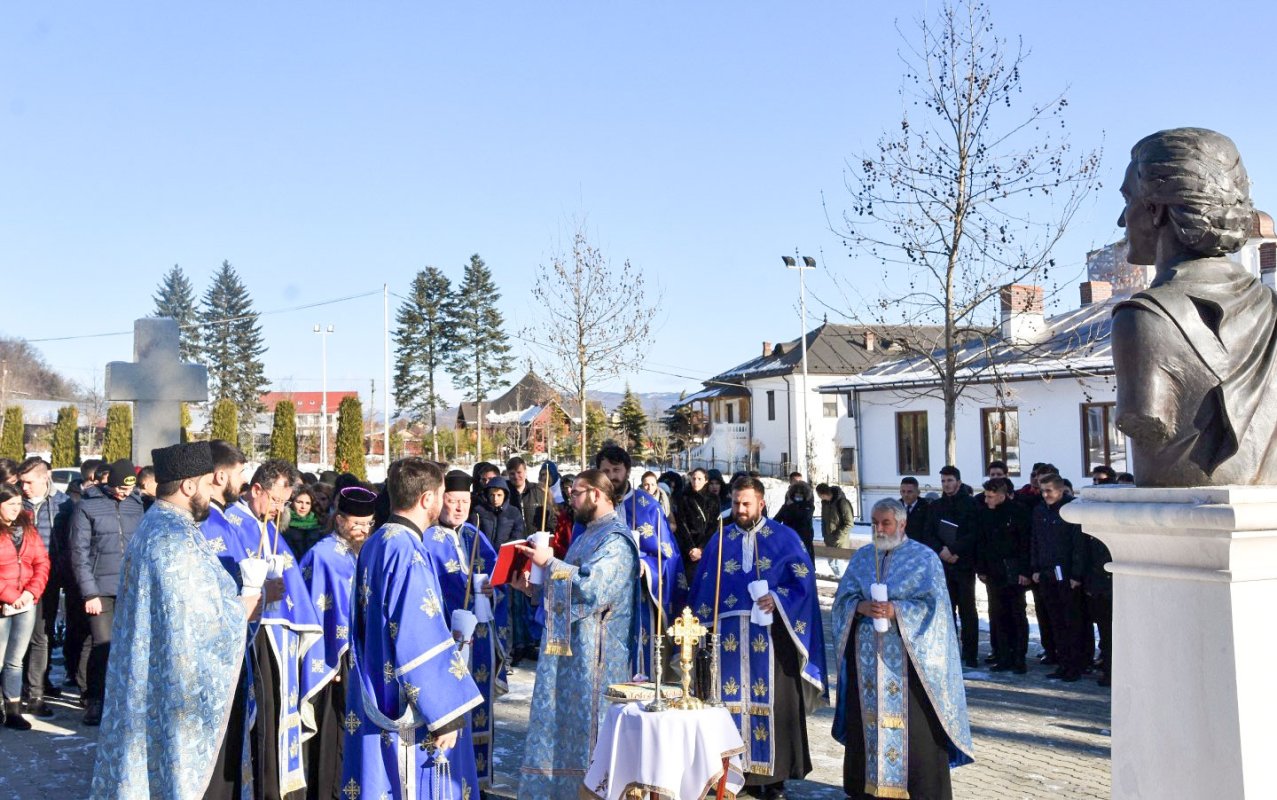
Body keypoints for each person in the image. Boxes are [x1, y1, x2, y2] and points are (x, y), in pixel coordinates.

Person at [90, 441, 260, 799]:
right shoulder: (174, 538)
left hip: (152, 684)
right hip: (177, 698)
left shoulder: (155, 525)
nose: (214, 491)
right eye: (208, 484)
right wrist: (248, 602)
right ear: (188, 486)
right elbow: (200, 627)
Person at [342, 458, 484, 799]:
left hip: (377, 687)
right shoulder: (407, 550)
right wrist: (444, 712)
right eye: (440, 494)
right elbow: (416, 634)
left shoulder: (376, 541)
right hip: (407, 704)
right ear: (427, 500)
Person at [688, 475, 827, 799]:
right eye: (735, 502)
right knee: (726, 705)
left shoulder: (785, 538)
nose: (739, 509)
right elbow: (703, 589)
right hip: (728, 643)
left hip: (772, 641)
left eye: (746, 503)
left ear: (761, 503)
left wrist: (778, 599)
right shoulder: (719, 539)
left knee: (774, 707)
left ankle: (772, 780)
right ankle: (726, 775)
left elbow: (803, 586)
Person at [832, 498, 974, 799]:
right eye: (874, 523)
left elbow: (937, 610)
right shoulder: (861, 558)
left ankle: (919, 791)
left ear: (902, 523)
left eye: (885, 523)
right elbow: (841, 601)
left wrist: (897, 610)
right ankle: (868, 790)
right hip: (867, 664)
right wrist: (860, 606)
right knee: (867, 725)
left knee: (916, 732)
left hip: (911, 666)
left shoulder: (924, 559)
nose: (879, 529)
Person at [516, 469, 640, 798]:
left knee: (590, 740)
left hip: (595, 661)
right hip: (569, 655)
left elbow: (592, 588)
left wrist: (551, 563)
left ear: (597, 495)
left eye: (576, 493)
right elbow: (565, 593)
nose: (571, 500)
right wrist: (531, 587)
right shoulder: (586, 534)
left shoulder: (616, 540)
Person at [421, 471, 508, 791]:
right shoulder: (428, 538)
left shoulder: (475, 534)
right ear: (440, 500)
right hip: (448, 640)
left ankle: (479, 782)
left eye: (465, 502)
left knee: (480, 709)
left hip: (481, 639)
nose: (459, 508)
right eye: (453, 501)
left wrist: (491, 591)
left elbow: (498, 577)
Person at [298, 484, 377, 800]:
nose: (361, 530)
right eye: (355, 524)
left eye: (367, 524)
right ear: (339, 519)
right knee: (335, 735)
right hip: (333, 662)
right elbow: (316, 612)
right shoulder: (323, 555)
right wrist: (330, 657)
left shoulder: (366, 551)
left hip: (361, 656)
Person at [594, 443, 683, 679]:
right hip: (601, 600)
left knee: (641, 666)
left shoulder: (649, 507)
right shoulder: (591, 507)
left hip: (641, 599)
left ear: (627, 471)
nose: (612, 477)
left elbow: (669, 556)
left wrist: (648, 566)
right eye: (606, 471)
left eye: (616, 470)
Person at [69, 458, 146, 726]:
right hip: (100, 589)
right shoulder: (87, 506)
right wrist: (89, 593)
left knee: (126, 646)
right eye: (121, 489)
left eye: (130, 488)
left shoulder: (137, 505)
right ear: (109, 483)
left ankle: (122, 700)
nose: (125, 494)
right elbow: (78, 553)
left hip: (130, 588)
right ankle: (95, 700)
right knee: (102, 646)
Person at [15, 457, 73, 717]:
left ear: (44, 478)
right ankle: (15, 691)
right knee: (16, 638)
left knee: (41, 636)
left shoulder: (63, 504)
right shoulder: (14, 504)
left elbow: (69, 542)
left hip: (48, 581)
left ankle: (36, 692)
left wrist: (60, 571)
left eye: (28, 482)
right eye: (21, 482)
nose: (24, 487)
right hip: (16, 582)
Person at [0, 483, 50, 731]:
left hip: (26, 603)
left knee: (15, 660)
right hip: (4, 602)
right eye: (10, 505)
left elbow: (41, 561)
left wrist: (31, 591)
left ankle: (13, 710)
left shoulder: (27, 527)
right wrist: (9, 594)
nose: (15, 509)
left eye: (18, 504)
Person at [1030, 474, 1087, 681]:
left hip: (1067, 574)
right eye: (1042, 491)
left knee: (1071, 622)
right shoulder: (1039, 511)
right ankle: (1062, 663)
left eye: (1049, 491)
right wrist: (1035, 567)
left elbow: (1078, 545)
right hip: (1046, 573)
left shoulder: (1071, 510)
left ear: (1060, 490)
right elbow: (1035, 541)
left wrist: (1076, 574)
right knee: (1055, 621)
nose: (1045, 495)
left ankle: (1075, 666)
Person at [922, 466, 980, 668]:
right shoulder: (936, 506)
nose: (946, 485)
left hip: (963, 563)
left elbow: (973, 533)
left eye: (949, 480)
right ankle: (950, 650)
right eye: (943, 481)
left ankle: (971, 654)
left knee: (967, 610)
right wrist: (941, 551)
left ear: (958, 481)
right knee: (947, 610)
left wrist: (955, 550)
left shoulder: (971, 504)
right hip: (943, 563)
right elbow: (928, 532)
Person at [974, 478, 1032, 673]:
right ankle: (1003, 656)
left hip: (1014, 572)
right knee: (998, 615)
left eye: (990, 497)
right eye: (986, 496)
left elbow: (1025, 544)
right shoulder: (984, 513)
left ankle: (1019, 658)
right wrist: (981, 569)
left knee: (1017, 614)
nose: (986, 500)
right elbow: (981, 542)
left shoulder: (1018, 512)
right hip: (993, 572)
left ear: (1001, 495)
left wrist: (1025, 571)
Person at [1073, 523, 1113, 688]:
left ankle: (1109, 670)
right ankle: (1106, 666)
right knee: (1104, 631)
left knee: (1109, 632)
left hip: (1107, 586)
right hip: (1097, 586)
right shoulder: (1090, 533)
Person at [674, 467, 720, 579]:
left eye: (699, 479)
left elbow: (713, 525)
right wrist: (691, 548)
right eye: (694, 478)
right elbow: (682, 523)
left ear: (705, 481)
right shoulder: (684, 497)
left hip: (706, 545)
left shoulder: (713, 499)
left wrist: (701, 548)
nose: (696, 482)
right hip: (688, 546)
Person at [817, 483, 855, 578]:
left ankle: (844, 584)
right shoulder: (825, 503)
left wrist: (837, 537)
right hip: (829, 539)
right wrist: (824, 535)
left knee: (837, 563)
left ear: (822, 494)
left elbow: (849, 523)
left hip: (839, 541)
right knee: (832, 563)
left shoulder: (842, 502)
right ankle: (842, 582)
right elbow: (824, 520)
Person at [775, 480, 816, 560]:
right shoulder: (786, 506)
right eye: (796, 494)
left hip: (803, 539)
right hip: (788, 538)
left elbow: (804, 516)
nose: (798, 496)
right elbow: (777, 520)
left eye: (801, 494)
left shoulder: (808, 506)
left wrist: (792, 506)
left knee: (804, 561)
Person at [283, 485, 324, 556]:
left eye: (308, 503)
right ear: (292, 502)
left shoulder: (318, 524)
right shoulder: (282, 524)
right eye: (299, 502)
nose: (303, 507)